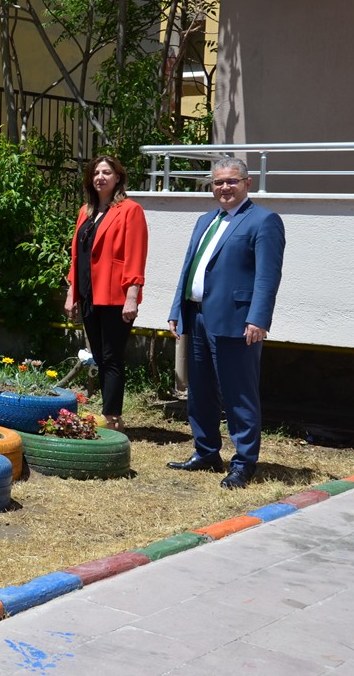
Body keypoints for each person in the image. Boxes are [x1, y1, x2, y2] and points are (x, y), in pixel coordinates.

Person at [167, 157, 285, 490]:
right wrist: (177, 308)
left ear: (247, 184)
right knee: (200, 391)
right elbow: (190, 269)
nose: (224, 188)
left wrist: (258, 318)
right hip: (199, 316)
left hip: (237, 322)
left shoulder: (264, 221)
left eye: (231, 181)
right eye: (218, 182)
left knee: (238, 395)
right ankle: (206, 452)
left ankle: (244, 462)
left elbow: (267, 276)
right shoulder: (206, 220)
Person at [63, 155, 148, 431]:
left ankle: (113, 418)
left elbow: (136, 254)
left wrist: (132, 296)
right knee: (100, 356)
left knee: (112, 357)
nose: (101, 177)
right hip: (88, 295)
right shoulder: (85, 211)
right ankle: (108, 412)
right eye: (96, 172)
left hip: (115, 297)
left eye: (107, 172)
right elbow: (77, 257)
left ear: (117, 178)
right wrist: (72, 293)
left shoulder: (130, 210)